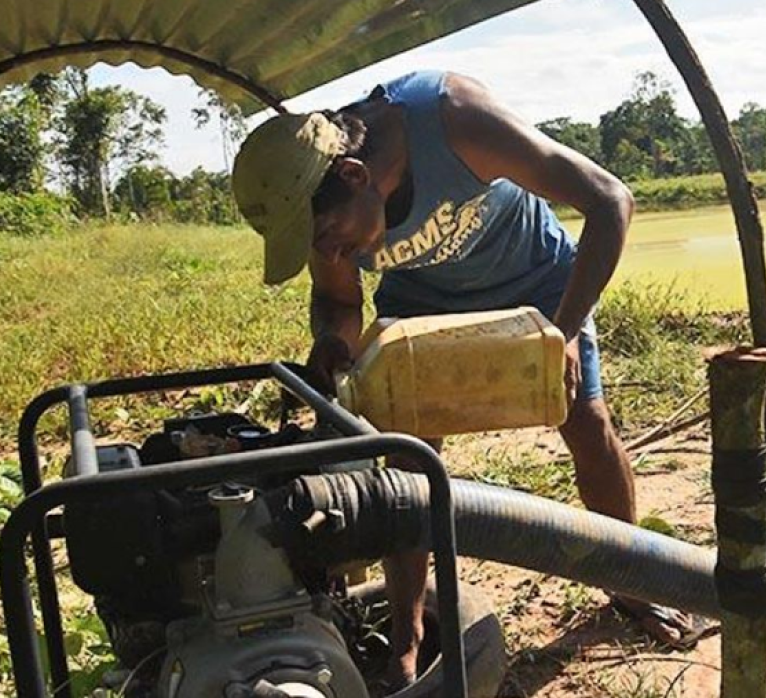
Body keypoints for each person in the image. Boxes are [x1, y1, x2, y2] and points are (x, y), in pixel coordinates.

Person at [231, 70, 709, 687]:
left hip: (537, 284)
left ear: (355, 176)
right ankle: (408, 639)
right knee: (408, 464)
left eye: (329, 237)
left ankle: (634, 585)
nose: (333, 253)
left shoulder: (454, 120)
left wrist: (562, 334)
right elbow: (340, 303)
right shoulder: (328, 200)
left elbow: (610, 200)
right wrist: (332, 341)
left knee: (585, 420)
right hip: (422, 301)